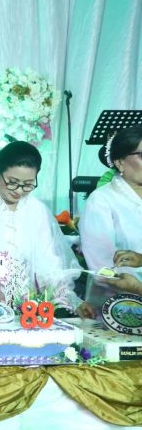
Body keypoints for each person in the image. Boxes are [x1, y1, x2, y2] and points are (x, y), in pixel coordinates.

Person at [0, 141, 95, 317]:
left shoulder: (37, 211)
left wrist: (73, 301)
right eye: (12, 182)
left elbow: (50, 266)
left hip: (26, 312)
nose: (19, 191)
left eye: (28, 184)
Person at [80, 126, 142, 304]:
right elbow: (102, 265)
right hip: (118, 306)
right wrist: (135, 284)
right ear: (120, 162)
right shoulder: (101, 200)